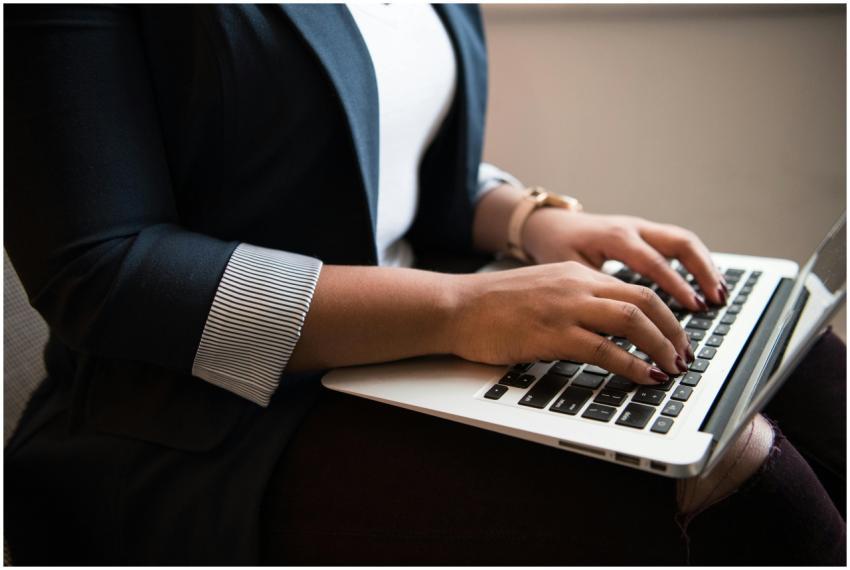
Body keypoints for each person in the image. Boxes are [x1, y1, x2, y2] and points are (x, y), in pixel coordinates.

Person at [4, 4, 845, 565]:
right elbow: (100, 268)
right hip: (205, 422)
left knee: (793, 360)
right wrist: (463, 308)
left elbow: (375, 150)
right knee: (730, 466)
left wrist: (533, 221)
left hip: (420, 351)